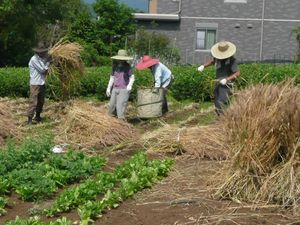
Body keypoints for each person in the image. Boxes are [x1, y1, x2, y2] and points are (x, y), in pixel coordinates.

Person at [197, 41, 240, 115]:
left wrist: (226, 79)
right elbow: (212, 61)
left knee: (222, 102)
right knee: (216, 101)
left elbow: (237, 73)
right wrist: (203, 66)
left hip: (226, 85)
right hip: (217, 83)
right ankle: (219, 118)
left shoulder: (232, 61)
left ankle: (223, 120)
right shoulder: (218, 58)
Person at [106, 49, 135, 120]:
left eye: (122, 59)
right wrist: (109, 88)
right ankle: (111, 121)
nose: (121, 61)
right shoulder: (115, 66)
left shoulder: (128, 67)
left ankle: (120, 122)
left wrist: (129, 86)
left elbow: (132, 77)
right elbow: (112, 77)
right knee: (111, 106)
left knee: (120, 106)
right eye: (120, 59)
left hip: (124, 89)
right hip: (115, 88)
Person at [27, 42, 51, 124]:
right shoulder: (34, 59)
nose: (44, 53)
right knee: (33, 102)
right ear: (38, 52)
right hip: (35, 83)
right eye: (42, 52)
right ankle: (29, 119)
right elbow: (43, 70)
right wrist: (48, 62)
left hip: (41, 83)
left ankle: (38, 116)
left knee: (41, 101)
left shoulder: (41, 59)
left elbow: (45, 67)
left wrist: (49, 61)